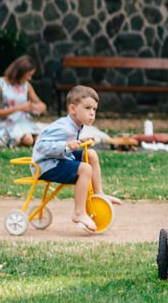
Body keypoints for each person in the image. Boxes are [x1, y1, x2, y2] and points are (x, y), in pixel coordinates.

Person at [31, 85, 113, 233]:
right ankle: (79, 212)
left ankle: (99, 193)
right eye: (87, 108)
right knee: (85, 169)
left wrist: (80, 142)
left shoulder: (76, 125)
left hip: (60, 158)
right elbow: (41, 146)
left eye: (94, 109)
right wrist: (66, 146)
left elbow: (67, 145)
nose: (92, 113)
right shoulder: (63, 127)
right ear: (73, 109)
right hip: (47, 165)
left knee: (91, 155)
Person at [0, 55, 46, 147]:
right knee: (28, 140)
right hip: (6, 124)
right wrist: (19, 108)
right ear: (20, 72)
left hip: (24, 122)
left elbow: (40, 103)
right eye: (28, 75)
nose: (30, 78)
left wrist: (39, 107)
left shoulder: (26, 85)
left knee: (40, 139)